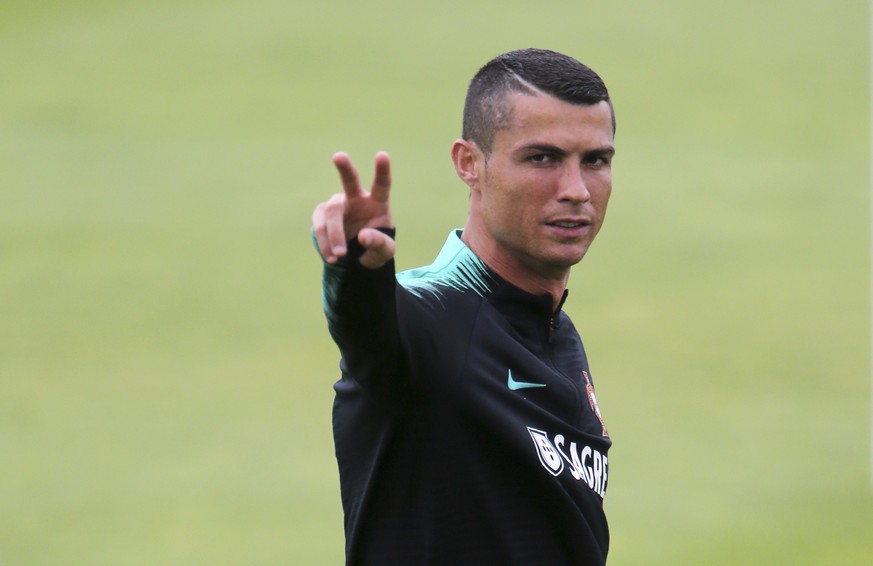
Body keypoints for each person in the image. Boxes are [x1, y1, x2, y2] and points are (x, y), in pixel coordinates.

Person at [311, 48, 617, 565]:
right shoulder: (435, 317)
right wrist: (357, 270)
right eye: (541, 158)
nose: (576, 190)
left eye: (596, 160)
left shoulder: (554, 331)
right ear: (469, 164)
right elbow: (372, 329)